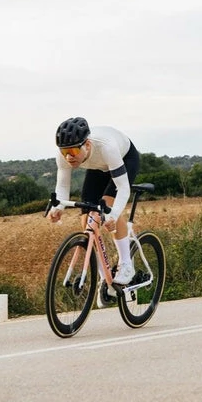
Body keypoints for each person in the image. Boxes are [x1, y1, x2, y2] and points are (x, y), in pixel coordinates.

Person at [48, 116, 140, 285]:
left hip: (124, 159)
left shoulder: (106, 147)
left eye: (73, 152)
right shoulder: (66, 154)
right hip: (97, 166)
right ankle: (104, 277)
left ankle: (127, 264)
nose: (69, 157)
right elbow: (62, 187)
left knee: (107, 206)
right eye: (64, 152)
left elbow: (123, 188)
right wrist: (58, 207)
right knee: (86, 220)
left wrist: (113, 215)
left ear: (87, 145)